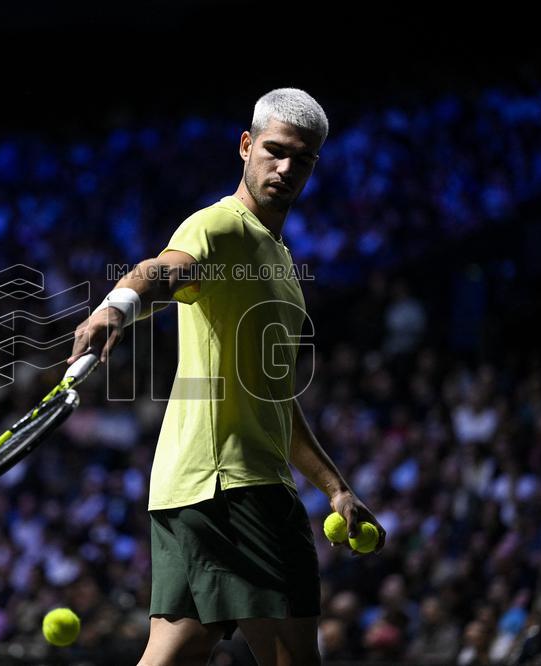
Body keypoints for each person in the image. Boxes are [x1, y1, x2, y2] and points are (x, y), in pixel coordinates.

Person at [67, 88, 387, 666]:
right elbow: (165, 271)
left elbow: (274, 400)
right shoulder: (222, 226)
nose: (286, 168)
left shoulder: (281, 262)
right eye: (274, 150)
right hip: (240, 489)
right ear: (246, 146)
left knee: (175, 654)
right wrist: (115, 306)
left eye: (303, 158)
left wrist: (335, 487)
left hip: (185, 492)